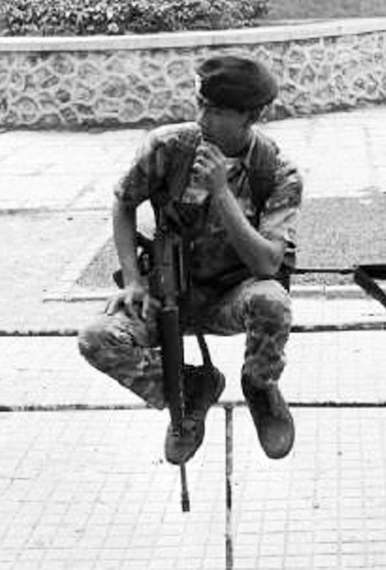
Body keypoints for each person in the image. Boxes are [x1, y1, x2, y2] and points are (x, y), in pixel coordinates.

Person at [78, 53, 302, 465]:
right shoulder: (168, 148)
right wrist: (132, 279)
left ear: (250, 116)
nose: (202, 118)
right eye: (200, 105)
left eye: (216, 112)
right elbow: (123, 202)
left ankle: (261, 388)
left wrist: (221, 193)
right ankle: (189, 389)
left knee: (273, 299)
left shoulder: (276, 172)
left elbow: (268, 264)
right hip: (168, 295)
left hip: (233, 296)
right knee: (97, 338)